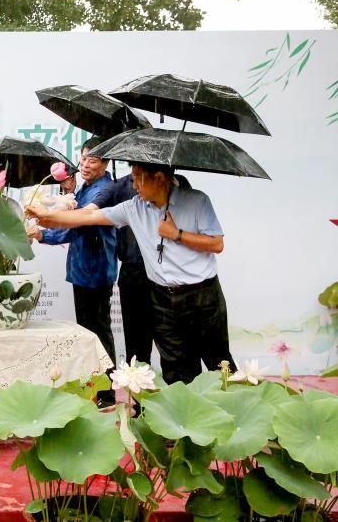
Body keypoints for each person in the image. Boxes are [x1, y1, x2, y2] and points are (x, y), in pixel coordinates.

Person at [26, 161, 236, 385]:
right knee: (177, 371)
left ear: (158, 177)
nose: (133, 184)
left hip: (202, 296)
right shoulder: (134, 207)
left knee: (219, 363)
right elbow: (87, 217)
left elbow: (216, 244)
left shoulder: (196, 200)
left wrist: (176, 234)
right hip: (163, 299)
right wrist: (45, 216)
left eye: (138, 178)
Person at [28, 138, 117, 408]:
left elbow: (80, 221)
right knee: (88, 331)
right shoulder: (86, 188)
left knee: (98, 331)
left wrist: (43, 228)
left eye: (92, 160)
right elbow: (71, 226)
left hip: (97, 270)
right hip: (81, 269)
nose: (85, 164)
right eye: (83, 158)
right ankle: (95, 386)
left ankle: (108, 391)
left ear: (105, 163)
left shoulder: (106, 189)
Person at [111, 172, 154, 366]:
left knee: (174, 345)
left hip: (165, 273)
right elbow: (95, 213)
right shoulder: (119, 186)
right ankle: (136, 392)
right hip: (131, 270)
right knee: (135, 347)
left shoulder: (178, 184)